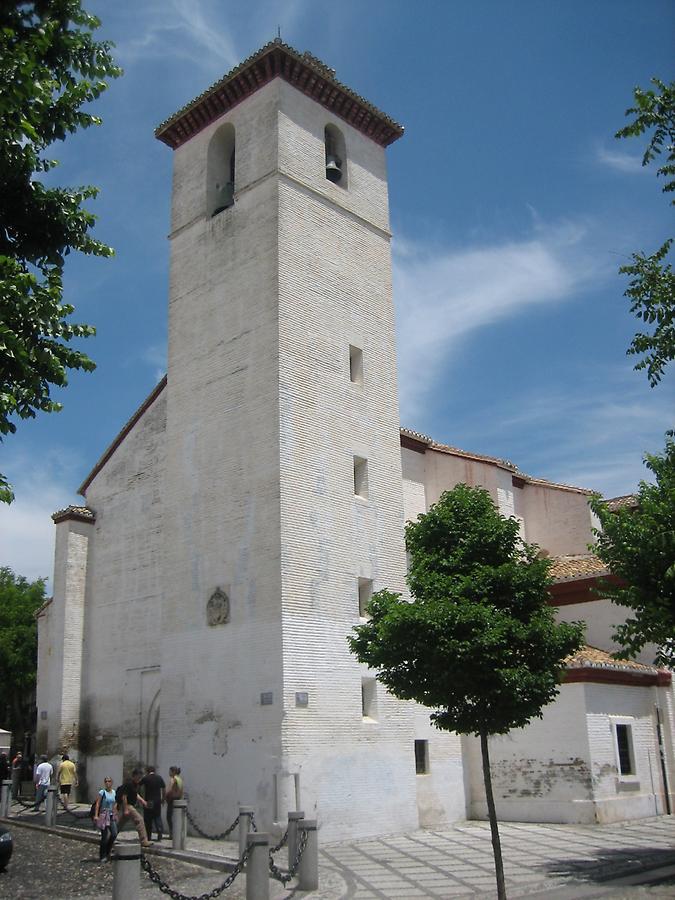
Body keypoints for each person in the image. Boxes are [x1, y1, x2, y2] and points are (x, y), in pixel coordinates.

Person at [116, 769, 150, 847]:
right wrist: (126, 809)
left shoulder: (135, 785)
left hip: (128, 806)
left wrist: (143, 801)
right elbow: (124, 796)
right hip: (127, 805)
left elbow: (135, 794)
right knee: (139, 819)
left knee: (120, 824)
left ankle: (110, 836)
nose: (139, 779)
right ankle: (144, 841)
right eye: (138, 777)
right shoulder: (129, 784)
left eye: (140, 777)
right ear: (133, 776)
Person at [94, 776, 118, 862]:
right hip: (104, 815)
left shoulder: (114, 792)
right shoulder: (102, 792)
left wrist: (115, 813)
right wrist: (96, 815)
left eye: (109, 781)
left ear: (112, 782)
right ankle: (103, 855)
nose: (108, 783)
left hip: (111, 816)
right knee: (104, 836)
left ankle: (108, 850)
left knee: (114, 833)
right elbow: (98, 803)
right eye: (106, 781)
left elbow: (115, 803)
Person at [140, 764, 165, 841]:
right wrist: (163, 799)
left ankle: (149, 836)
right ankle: (160, 831)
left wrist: (141, 798)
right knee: (157, 816)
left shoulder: (145, 778)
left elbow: (139, 787)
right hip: (157, 800)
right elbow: (164, 788)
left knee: (148, 819)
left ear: (147, 771)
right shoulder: (159, 778)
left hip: (149, 801)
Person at [165, 766, 183, 838]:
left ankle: (172, 833)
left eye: (170, 771)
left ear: (173, 772)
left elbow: (169, 790)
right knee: (176, 818)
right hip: (179, 799)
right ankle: (177, 833)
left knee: (169, 817)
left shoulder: (173, 779)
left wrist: (165, 796)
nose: (169, 773)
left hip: (172, 800)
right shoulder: (180, 779)